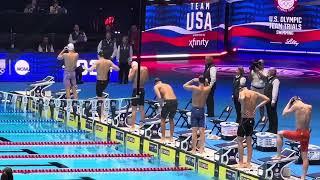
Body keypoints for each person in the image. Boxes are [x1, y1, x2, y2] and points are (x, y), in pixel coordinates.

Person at [272, 97, 312, 180]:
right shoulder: (309, 106)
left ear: (294, 101)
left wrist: (289, 102)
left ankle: (279, 155)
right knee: (305, 157)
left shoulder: (296, 106)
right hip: (307, 133)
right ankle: (303, 177)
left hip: (299, 133)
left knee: (279, 133)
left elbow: (284, 113)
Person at [236, 87, 270, 168]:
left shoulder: (242, 92)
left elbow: (242, 98)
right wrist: (257, 106)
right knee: (249, 142)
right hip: (251, 119)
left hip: (244, 119)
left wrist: (242, 105)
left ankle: (240, 163)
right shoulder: (255, 93)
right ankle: (248, 163)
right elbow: (267, 99)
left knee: (240, 141)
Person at [86, 51, 119, 120]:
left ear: (99, 56)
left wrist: (85, 68)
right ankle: (103, 111)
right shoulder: (109, 62)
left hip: (99, 81)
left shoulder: (97, 62)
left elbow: (90, 70)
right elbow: (117, 69)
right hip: (106, 82)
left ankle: (101, 115)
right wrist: (110, 68)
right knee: (102, 97)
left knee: (99, 98)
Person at [183, 76, 212, 154]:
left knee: (194, 132)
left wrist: (192, 80)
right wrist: (206, 81)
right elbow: (209, 85)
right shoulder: (207, 89)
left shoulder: (194, 88)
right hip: (202, 110)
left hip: (195, 110)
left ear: (198, 81)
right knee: (202, 131)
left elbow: (184, 85)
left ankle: (193, 149)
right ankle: (201, 149)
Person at [154, 78, 178, 143]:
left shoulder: (156, 86)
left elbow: (159, 97)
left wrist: (161, 105)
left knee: (162, 120)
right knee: (171, 119)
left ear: (155, 83)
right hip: (175, 101)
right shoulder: (168, 85)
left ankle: (163, 137)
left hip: (167, 102)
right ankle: (171, 138)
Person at [128, 61, 149, 131]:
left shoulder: (134, 69)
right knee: (142, 108)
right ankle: (142, 125)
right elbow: (146, 79)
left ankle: (133, 126)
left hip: (136, 89)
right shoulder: (145, 69)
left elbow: (130, 79)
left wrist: (130, 72)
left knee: (134, 109)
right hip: (142, 89)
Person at [264, 68, 280, 133]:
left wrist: (273, 100)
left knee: (273, 115)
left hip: (271, 101)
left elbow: (275, 91)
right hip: (267, 100)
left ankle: (274, 130)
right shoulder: (269, 79)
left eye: (269, 71)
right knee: (269, 114)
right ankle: (270, 128)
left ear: (273, 72)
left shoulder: (275, 80)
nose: (268, 72)